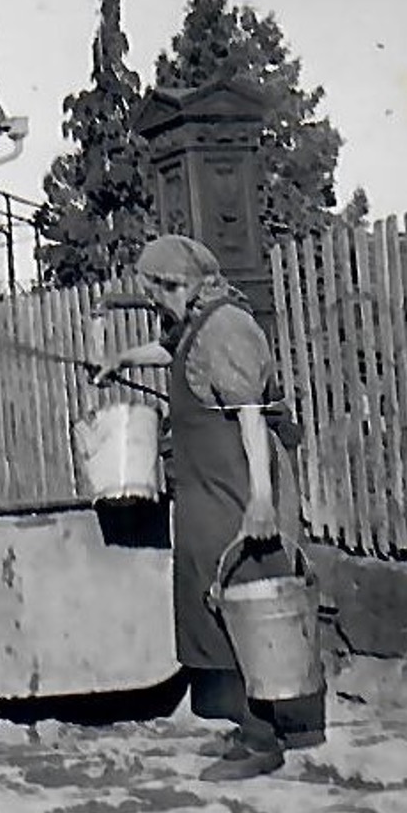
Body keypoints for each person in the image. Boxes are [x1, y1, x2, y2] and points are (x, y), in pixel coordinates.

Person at [93, 233, 325, 781]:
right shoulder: (200, 322)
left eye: (157, 295)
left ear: (177, 286)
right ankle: (259, 728)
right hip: (208, 491)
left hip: (236, 490)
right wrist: (123, 358)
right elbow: (176, 351)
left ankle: (264, 741)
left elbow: (248, 414)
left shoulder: (227, 329)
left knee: (245, 609)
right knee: (220, 608)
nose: (157, 307)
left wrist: (261, 502)